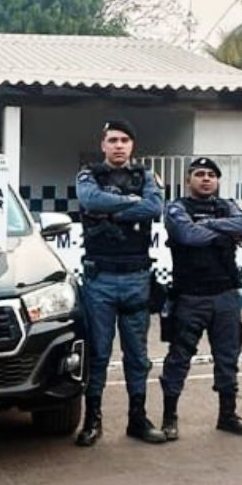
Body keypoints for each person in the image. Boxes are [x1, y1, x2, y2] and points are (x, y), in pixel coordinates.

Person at [74, 120, 167, 447]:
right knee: (98, 354)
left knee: (137, 355)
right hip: (100, 279)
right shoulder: (88, 175)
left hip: (136, 278)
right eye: (112, 140)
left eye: (125, 140)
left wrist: (114, 207)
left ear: (132, 145)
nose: (118, 145)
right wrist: (131, 203)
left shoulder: (146, 177)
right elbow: (91, 201)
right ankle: (92, 421)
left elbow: (154, 207)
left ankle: (137, 420)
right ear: (103, 144)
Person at [159, 157, 242, 440]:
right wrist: (223, 233)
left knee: (228, 357)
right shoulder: (177, 207)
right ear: (189, 180)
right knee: (179, 358)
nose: (206, 179)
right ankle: (169, 417)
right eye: (200, 174)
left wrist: (211, 226)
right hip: (190, 296)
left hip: (225, 295)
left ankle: (227, 416)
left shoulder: (226, 206)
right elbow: (187, 235)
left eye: (211, 175)